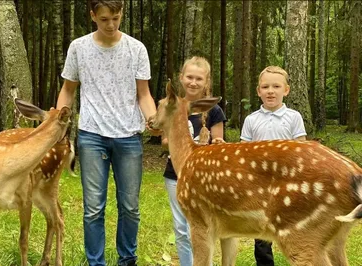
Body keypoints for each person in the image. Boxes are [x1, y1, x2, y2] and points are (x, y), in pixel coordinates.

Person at [56, 1, 157, 265]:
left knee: (130, 208)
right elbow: (68, 89)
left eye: (115, 18)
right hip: (91, 135)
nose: (110, 25)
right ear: (92, 16)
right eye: (103, 20)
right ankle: (95, 262)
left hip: (128, 136)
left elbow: (143, 94)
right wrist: (58, 124)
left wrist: (153, 119)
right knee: (93, 209)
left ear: (121, 13)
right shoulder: (79, 47)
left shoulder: (136, 49)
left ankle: (127, 260)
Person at [162, 56, 227, 265]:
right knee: (182, 227)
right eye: (189, 77)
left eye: (199, 79)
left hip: (207, 179)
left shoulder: (214, 111)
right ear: (181, 78)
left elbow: (219, 143)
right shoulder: (172, 107)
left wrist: (212, 143)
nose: (193, 82)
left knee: (204, 226)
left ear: (206, 82)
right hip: (176, 174)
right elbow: (164, 141)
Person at [240, 66, 307, 266]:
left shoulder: (294, 117)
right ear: (258, 91)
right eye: (265, 87)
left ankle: (300, 260)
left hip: (288, 182)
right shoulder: (251, 120)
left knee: (293, 227)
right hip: (260, 184)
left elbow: (301, 150)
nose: (271, 91)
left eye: (276, 86)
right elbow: (244, 153)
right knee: (261, 229)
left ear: (286, 90)